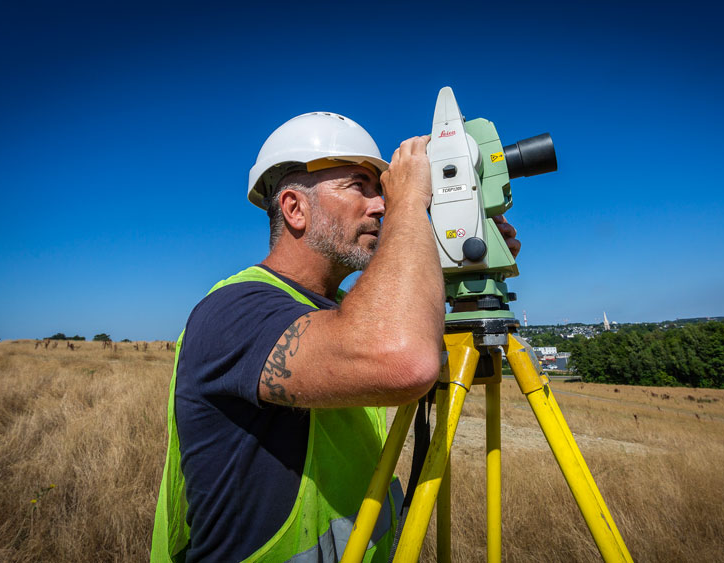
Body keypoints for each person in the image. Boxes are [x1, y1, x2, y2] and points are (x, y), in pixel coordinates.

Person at [151, 111, 519, 562]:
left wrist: (461, 252)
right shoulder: (235, 312)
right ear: (295, 208)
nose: (381, 205)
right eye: (359, 186)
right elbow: (403, 359)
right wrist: (410, 206)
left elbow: (401, 330)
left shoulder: (343, 312)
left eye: (382, 190)